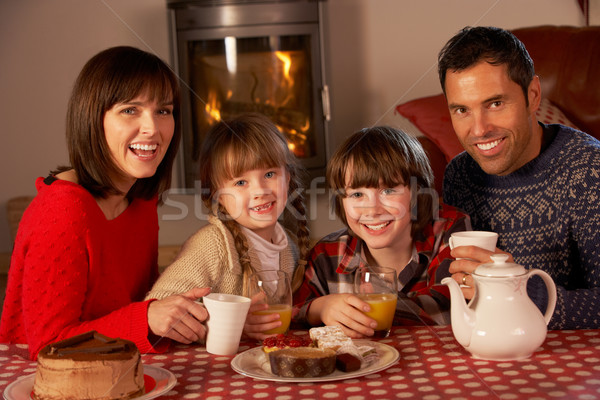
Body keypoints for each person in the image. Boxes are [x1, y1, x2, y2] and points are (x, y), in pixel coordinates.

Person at [0, 46, 211, 360]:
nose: (153, 129)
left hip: (116, 368)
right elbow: (49, 345)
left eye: (163, 111)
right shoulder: (62, 211)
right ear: (93, 118)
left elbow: (137, 307)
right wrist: (148, 317)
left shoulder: (140, 199)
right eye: (130, 110)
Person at [438, 26, 600, 329]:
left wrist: (519, 292)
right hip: (484, 352)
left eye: (495, 104)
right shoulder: (459, 175)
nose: (479, 129)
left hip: (570, 365)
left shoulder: (588, 170)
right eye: (462, 109)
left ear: (533, 95)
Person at [293, 126, 470, 338]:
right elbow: (291, 314)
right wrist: (319, 308)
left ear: (417, 193)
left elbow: (450, 307)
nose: (373, 210)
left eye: (388, 190)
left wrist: (372, 308)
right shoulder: (327, 254)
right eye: (357, 194)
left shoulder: (449, 230)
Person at [145, 113, 311, 340]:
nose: (260, 191)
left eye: (270, 174)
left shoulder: (289, 247)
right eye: (241, 182)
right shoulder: (212, 246)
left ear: (288, 178)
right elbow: (158, 312)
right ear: (218, 195)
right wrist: (232, 325)